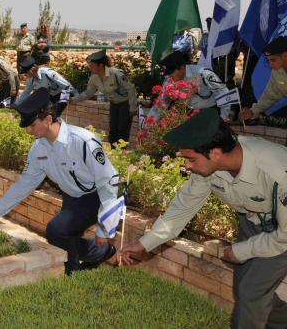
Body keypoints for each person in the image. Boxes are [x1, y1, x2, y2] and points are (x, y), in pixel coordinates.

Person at [120, 108, 287, 329]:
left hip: (282, 231)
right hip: (254, 220)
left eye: (191, 159)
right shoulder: (207, 169)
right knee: (244, 288)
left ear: (215, 152)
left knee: (250, 293)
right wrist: (144, 244)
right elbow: (181, 210)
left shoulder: (277, 172)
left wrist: (241, 251)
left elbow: (284, 236)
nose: (187, 166)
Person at [0, 88, 118, 275]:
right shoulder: (38, 149)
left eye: (32, 125)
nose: (28, 130)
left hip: (95, 196)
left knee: (56, 230)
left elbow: (108, 182)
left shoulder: (83, 141)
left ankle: (72, 272)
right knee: (64, 235)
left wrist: (104, 228)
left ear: (48, 119)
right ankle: (101, 253)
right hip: (72, 197)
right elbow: (24, 184)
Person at [72, 50, 137, 144]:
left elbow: (131, 89)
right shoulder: (94, 78)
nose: (90, 68)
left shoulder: (116, 74)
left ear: (101, 65)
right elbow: (88, 93)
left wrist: (133, 107)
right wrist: (73, 99)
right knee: (113, 129)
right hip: (114, 104)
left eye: (92, 66)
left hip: (125, 104)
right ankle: (113, 152)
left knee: (122, 129)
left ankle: (122, 152)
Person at [157, 51, 231, 120]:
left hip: (211, 111)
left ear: (182, 68)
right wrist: (151, 124)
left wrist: (223, 117)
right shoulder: (169, 79)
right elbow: (162, 101)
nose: (170, 76)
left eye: (172, 72)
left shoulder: (203, 73)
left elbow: (223, 93)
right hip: (190, 113)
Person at [240, 36, 287, 123]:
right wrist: (252, 112)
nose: (270, 65)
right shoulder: (277, 73)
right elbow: (269, 97)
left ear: (285, 56)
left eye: (273, 60)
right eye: (268, 61)